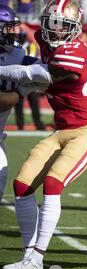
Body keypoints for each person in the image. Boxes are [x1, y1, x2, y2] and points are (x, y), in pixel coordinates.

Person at [1, 0, 87, 269]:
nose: (56, 31)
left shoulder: (76, 50)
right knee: (22, 184)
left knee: (52, 182)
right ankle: (29, 258)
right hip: (60, 130)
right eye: (53, 24)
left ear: (76, 29)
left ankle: (37, 256)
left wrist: (6, 71)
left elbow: (41, 74)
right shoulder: (43, 40)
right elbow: (34, 65)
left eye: (64, 26)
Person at [0, 4, 27, 201]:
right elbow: (3, 101)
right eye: (8, 27)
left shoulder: (16, 53)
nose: (14, 32)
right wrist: (23, 90)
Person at [14, 31, 44, 130]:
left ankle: (38, 123)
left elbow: (34, 59)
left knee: (34, 102)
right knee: (19, 103)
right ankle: (20, 124)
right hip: (20, 78)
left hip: (31, 78)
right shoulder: (15, 47)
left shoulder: (32, 46)